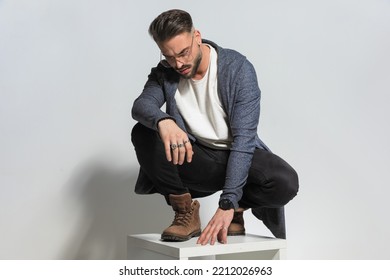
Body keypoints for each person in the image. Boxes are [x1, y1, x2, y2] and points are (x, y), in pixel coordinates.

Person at [131, 9, 299, 245]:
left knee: (284, 181)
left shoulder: (238, 69)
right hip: (195, 159)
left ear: (196, 36)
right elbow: (141, 106)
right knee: (143, 132)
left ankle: (237, 211)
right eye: (168, 56)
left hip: (237, 156)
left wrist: (229, 202)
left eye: (183, 53)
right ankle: (185, 212)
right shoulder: (165, 72)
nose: (178, 63)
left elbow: (244, 141)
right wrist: (164, 121)